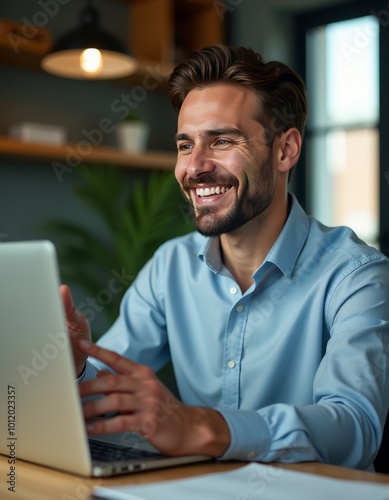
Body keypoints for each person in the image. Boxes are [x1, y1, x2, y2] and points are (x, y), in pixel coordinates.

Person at [61, 44, 389, 470]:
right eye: (184, 145)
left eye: (221, 141)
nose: (194, 167)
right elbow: (111, 394)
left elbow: (354, 427)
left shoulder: (356, 276)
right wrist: (78, 366)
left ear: (286, 150)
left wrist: (206, 428)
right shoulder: (170, 267)